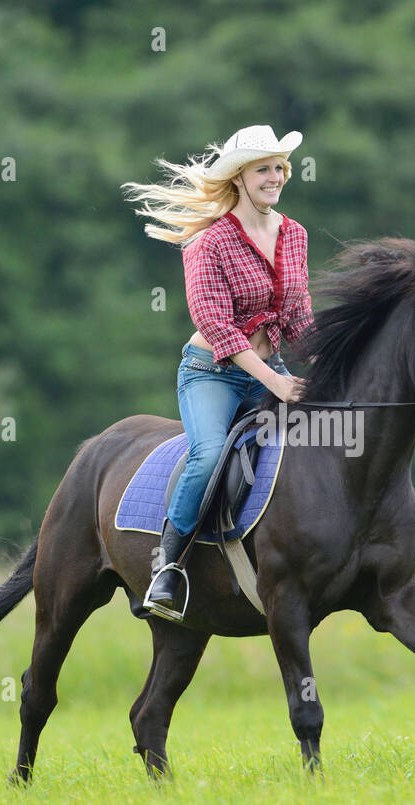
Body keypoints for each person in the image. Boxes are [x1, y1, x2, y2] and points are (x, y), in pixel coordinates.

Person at [121, 125, 309, 619]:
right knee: (207, 457)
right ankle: (169, 567)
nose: (274, 178)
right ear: (239, 179)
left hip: (273, 368)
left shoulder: (295, 235)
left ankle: (373, 560)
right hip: (213, 372)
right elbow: (217, 327)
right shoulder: (208, 243)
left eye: (278, 169)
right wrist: (274, 382)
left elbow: (300, 317)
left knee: (339, 440)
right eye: (263, 169)